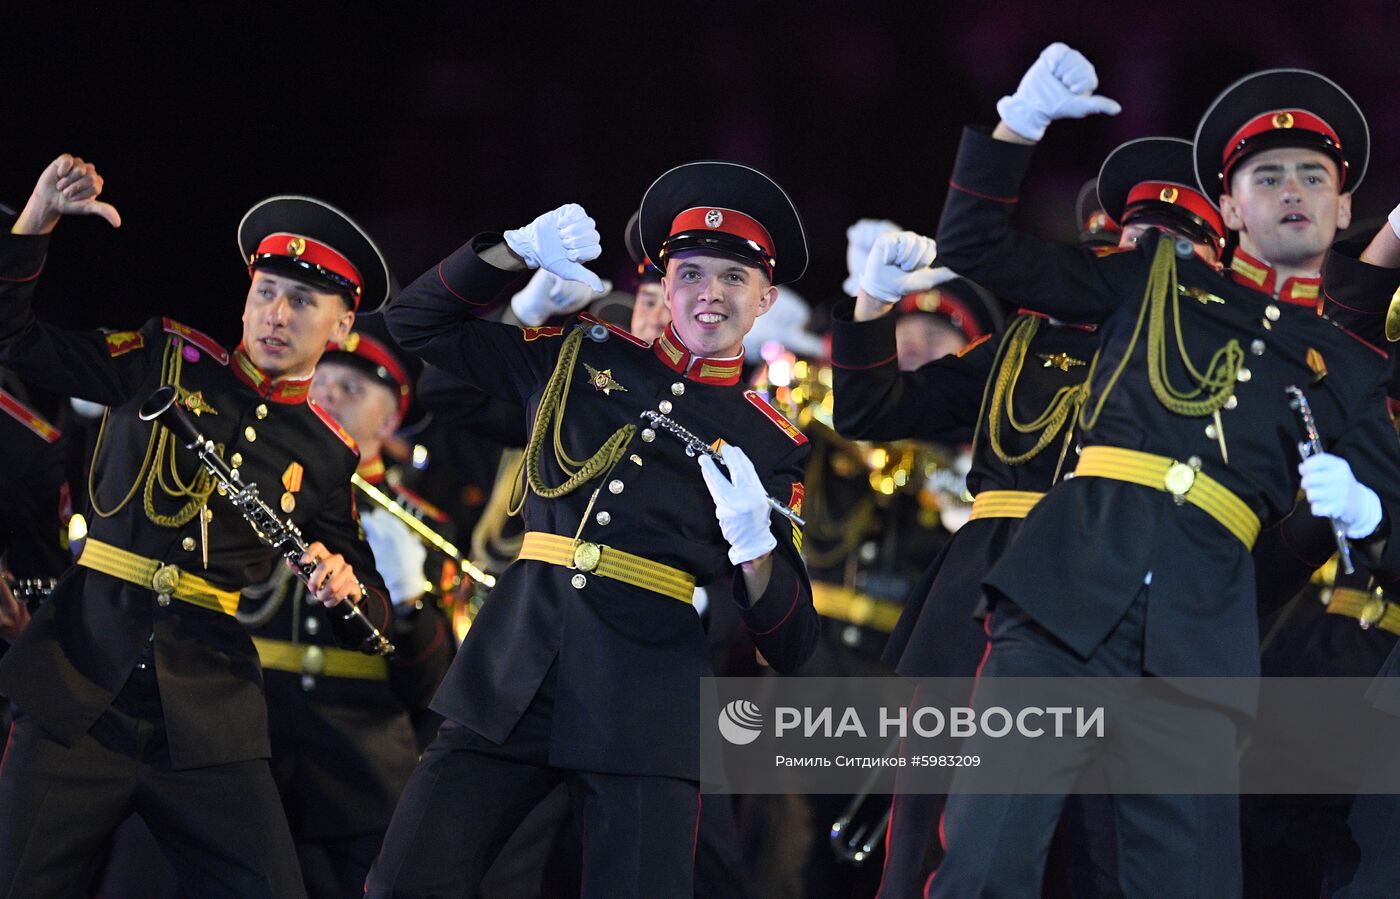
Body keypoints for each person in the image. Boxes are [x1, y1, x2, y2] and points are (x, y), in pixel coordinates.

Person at [927, 45, 1400, 896]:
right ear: (1228, 205)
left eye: (1312, 176)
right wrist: (1016, 125)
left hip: (1198, 646)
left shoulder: (1357, 366)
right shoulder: (1154, 278)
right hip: (1063, 602)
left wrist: (1368, 518)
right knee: (985, 864)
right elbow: (976, 246)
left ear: (1344, 205)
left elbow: (1370, 540)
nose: (1292, 189)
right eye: (1267, 175)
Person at [366, 160, 819, 897]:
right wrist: (510, 253)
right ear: (662, 285)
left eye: (733, 278)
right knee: (403, 881)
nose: (710, 294)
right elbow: (414, 324)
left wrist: (756, 550)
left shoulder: (770, 442)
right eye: (692, 273)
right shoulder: (580, 355)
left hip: (643, 697)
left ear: (765, 298)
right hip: (515, 670)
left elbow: (793, 642)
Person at [0, 155, 395, 897]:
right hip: (78, 682)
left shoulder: (324, 452)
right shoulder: (163, 359)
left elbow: (367, 611)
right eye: (267, 292)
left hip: (205, 716)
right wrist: (37, 219)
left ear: (342, 325)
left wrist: (351, 591)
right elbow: (11, 340)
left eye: (302, 302)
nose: (276, 314)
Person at [232, 315, 454, 897]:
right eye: (319, 382)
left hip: (363, 765)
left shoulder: (422, 529)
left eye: (351, 389)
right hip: (249, 743)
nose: (327, 394)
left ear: (390, 419)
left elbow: (430, 690)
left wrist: (411, 601)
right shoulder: (258, 491)